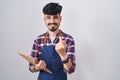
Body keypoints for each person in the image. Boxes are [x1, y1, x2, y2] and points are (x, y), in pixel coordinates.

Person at [29, 2, 76, 80]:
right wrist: (37, 67)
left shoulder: (68, 40)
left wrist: (63, 55)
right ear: (44, 19)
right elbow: (31, 67)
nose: (52, 21)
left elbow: (70, 70)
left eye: (55, 17)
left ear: (60, 18)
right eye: (48, 17)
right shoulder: (38, 40)